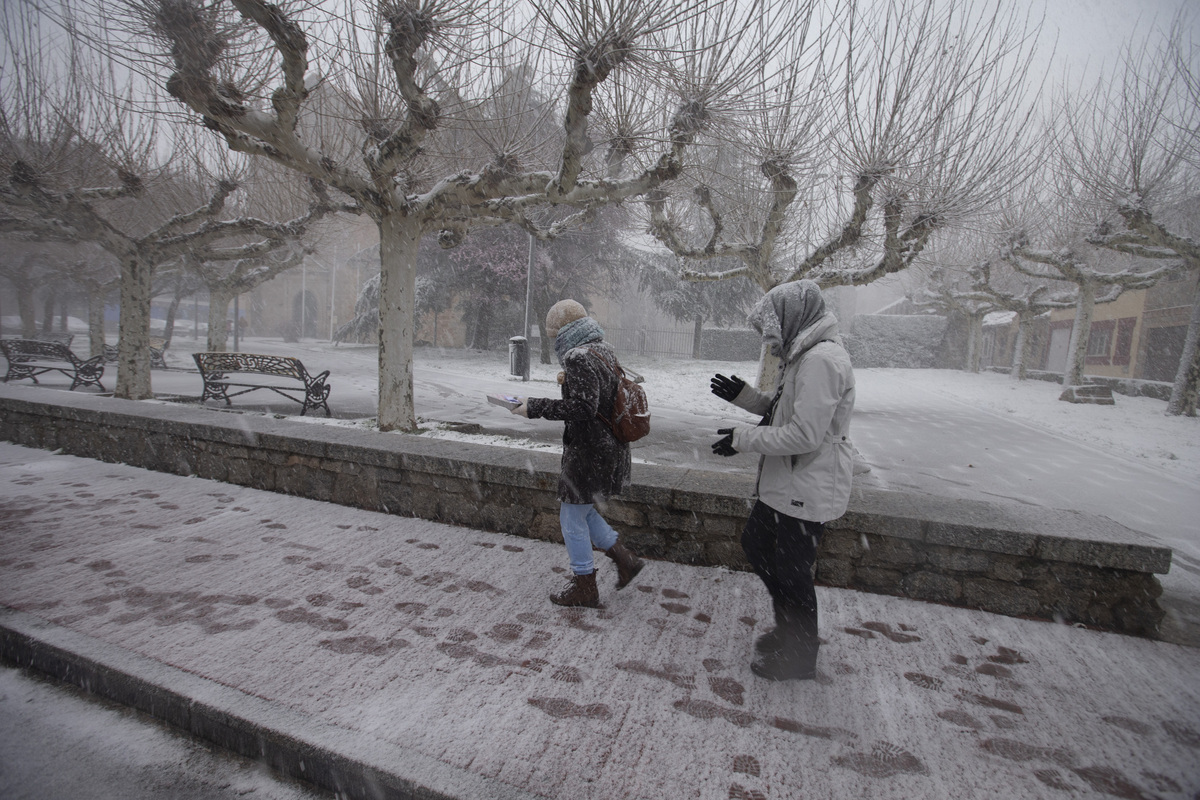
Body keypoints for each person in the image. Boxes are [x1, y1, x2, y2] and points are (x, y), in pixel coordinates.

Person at [710, 280, 855, 681]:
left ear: (793, 318)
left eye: (773, 327)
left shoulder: (822, 361)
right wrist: (746, 397)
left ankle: (801, 655)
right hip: (787, 483)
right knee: (757, 545)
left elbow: (805, 434)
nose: (771, 339)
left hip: (807, 485)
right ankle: (789, 629)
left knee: (792, 572)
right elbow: (783, 411)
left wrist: (743, 439)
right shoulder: (804, 355)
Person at [510, 299, 645, 607]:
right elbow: (601, 392)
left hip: (589, 452)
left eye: (552, 333)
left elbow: (584, 408)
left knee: (571, 517)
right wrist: (569, 382)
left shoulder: (578, 356)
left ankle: (586, 586)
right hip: (609, 449)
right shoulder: (601, 348)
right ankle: (625, 560)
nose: (552, 339)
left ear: (561, 331)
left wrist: (533, 407)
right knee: (583, 511)